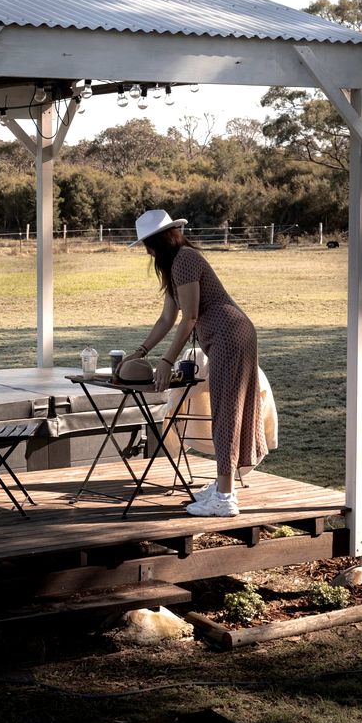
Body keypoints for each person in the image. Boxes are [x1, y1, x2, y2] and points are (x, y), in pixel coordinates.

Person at [125, 210, 265, 517]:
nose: (147, 251)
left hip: (230, 335)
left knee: (226, 411)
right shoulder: (175, 264)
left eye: (147, 244)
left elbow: (189, 316)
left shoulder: (185, 259)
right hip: (224, 337)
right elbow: (167, 317)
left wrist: (167, 359)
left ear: (158, 240)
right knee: (225, 409)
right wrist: (141, 351)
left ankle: (225, 498)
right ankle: (221, 485)